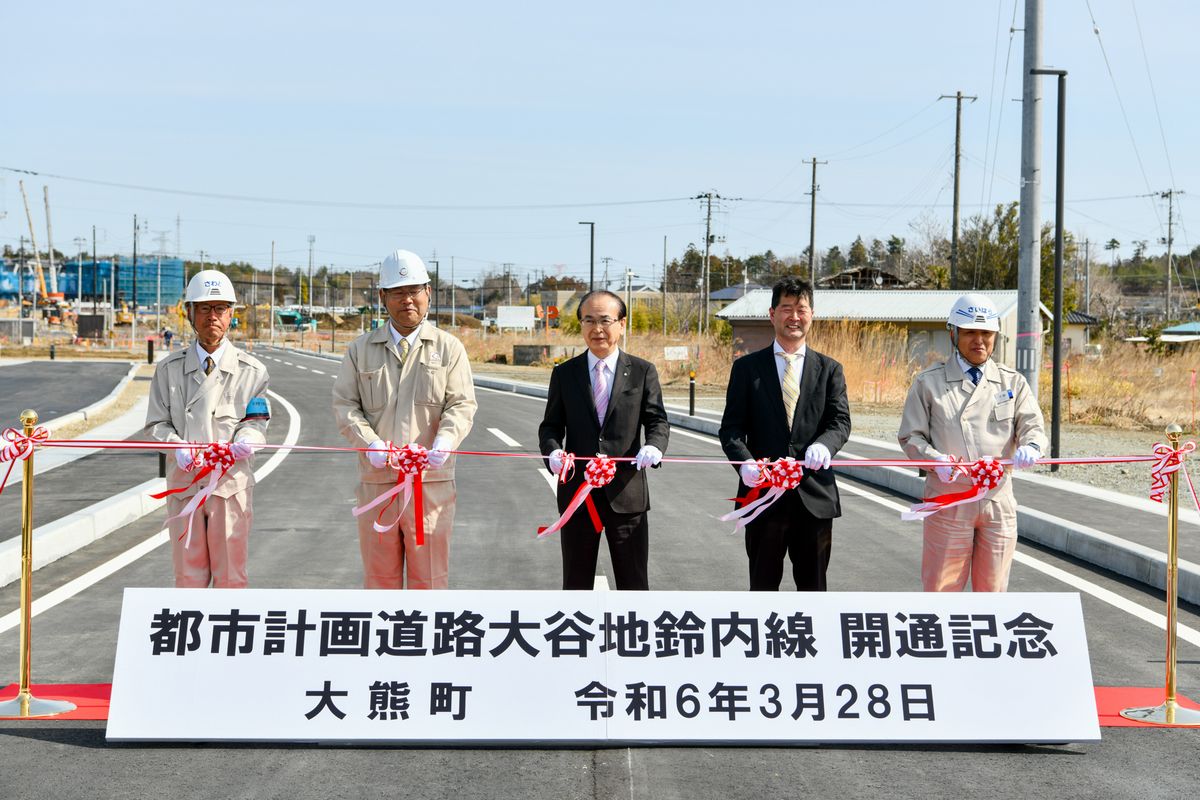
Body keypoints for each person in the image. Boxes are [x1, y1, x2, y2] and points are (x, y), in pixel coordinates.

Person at [332, 249, 477, 590]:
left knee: (430, 580)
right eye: (397, 292)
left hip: (430, 486)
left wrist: (445, 441)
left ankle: (426, 644)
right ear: (383, 297)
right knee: (379, 580)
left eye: (414, 290)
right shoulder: (361, 349)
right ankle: (385, 644)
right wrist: (369, 443)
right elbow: (345, 405)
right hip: (378, 483)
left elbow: (462, 404)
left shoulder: (449, 348)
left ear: (429, 292)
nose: (407, 300)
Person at [898, 292, 1047, 592]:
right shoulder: (929, 383)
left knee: (992, 595)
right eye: (969, 332)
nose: (979, 340)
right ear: (953, 333)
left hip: (998, 501)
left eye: (986, 333)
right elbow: (910, 436)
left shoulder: (1012, 382)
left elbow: (1033, 425)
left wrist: (1032, 446)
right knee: (942, 592)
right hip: (948, 500)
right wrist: (932, 460)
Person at [719, 276, 851, 591]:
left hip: (814, 497)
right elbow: (731, 429)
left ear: (812, 315)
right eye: (786, 308)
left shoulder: (830, 369)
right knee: (763, 588)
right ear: (772, 314)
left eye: (801, 309)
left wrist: (824, 446)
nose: (794, 317)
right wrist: (745, 463)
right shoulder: (747, 368)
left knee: (814, 587)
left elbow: (840, 421)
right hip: (763, 497)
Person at [145, 270, 270, 588]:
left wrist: (246, 440)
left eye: (219, 309)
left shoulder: (251, 371)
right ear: (189, 313)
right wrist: (177, 446)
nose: (211, 316)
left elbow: (256, 422)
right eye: (203, 308)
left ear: (231, 314)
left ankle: (230, 638)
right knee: (188, 577)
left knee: (231, 578)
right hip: (184, 486)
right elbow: (156, 423)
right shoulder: (169, 369)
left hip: (230, 488)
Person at [538, 290, 670, 590]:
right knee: (575, 582)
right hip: (577, 495)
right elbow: (550, 427)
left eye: (605, 320)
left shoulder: (642, 371)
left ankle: (633, 637)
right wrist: (553, 453)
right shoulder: (564, 374)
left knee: (634, 583)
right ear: (581, 325)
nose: (597, 328)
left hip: (627, 494)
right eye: (589, 320)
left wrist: (654, 445)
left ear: (622, 324)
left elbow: (657, 420)